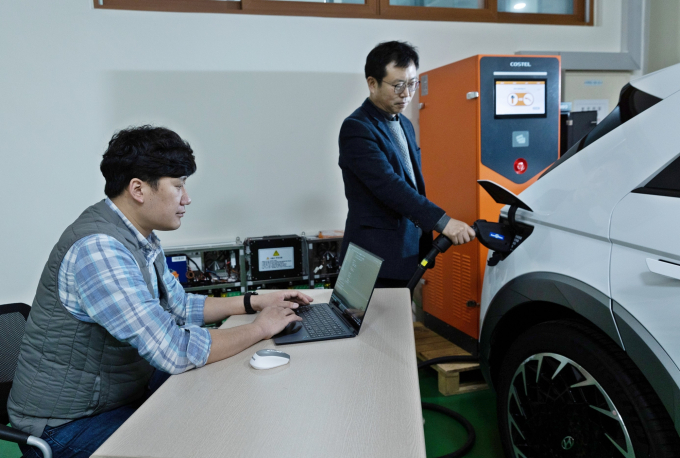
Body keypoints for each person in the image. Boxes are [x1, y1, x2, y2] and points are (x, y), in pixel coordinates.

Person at [8, 125, 312, 458]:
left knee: (222, 407)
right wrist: (259, 329)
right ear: (138, 189)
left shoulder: (138, 237)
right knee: (208, 441)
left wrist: (253, 302)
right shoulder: (99, 250)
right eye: (178, 186)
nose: (187, 198)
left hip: (119, 397)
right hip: (66, 427)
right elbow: (174, 351)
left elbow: (178, 306)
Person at [338, 41, 476, 288]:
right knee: (374, 326)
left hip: (406, 252)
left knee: (398, 323)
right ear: (372, 83)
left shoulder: (404, 124)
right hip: (374, 256)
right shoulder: (357, 128)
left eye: (412, 84)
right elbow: (390, 186)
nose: (407, 93)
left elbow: (412, 184)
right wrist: (443, 222)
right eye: (398, 85)